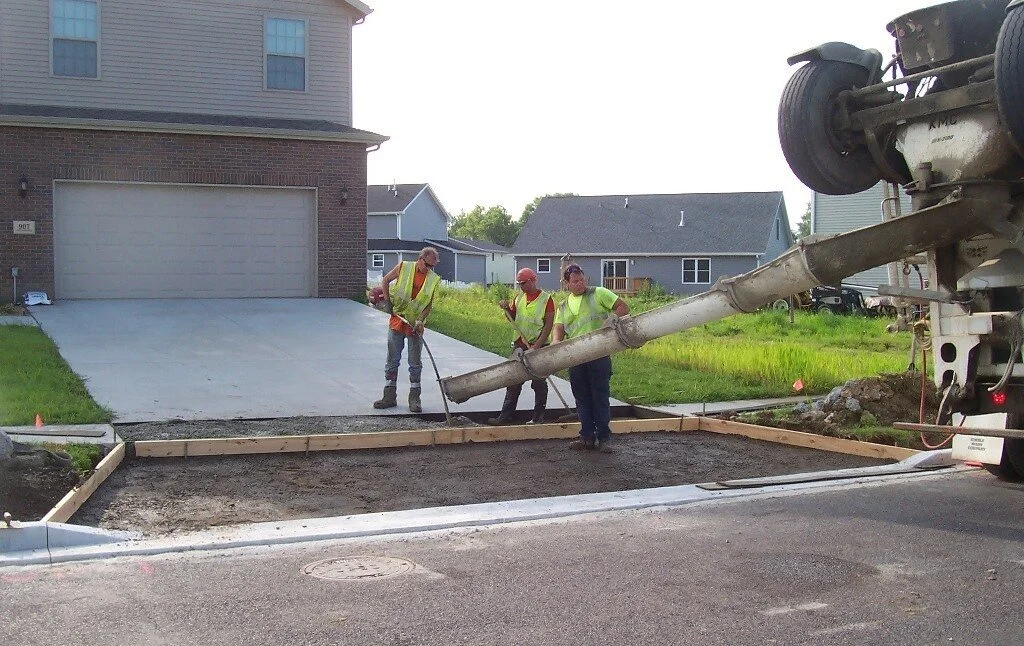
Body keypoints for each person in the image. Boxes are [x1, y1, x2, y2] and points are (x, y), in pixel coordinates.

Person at [552, 263, 630, 452]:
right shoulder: (563, 305)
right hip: (576, 357)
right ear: (567, 284)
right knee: (582, 397)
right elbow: (559, 327)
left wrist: (612, 318)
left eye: (582, 280)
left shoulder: (599, 293)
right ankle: (587, 437)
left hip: (598, 354)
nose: (580, 284)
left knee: (600, 396)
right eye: (575, 281)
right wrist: (555, 341)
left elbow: (623, 307)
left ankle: (604, 438)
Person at [373, 247, 441, 413]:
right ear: (420, 259)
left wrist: (420, 321)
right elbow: (386, 280)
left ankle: (414, 398)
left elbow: (428, 305)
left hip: (414, 326)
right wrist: (388, 302)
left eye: (432, 267)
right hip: (398, 320)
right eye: (427, 265)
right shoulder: (404, 267)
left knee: (415, 363)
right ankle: (389, 396)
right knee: (392, 360)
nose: (428, 269)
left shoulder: (433, 279)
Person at [487, 267, 555, 425]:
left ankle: (538, 417)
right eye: (519, 284)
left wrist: (537, 346)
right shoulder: (518, 298)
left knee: (538, 382)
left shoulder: (547, 299)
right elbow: (512, 318)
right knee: (513, 381)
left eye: (523, 283)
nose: (521, 287)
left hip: (539, 345)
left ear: (532, 281)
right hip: (520, 344)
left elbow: (548, 325)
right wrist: (506, 309)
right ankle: (506, 415)